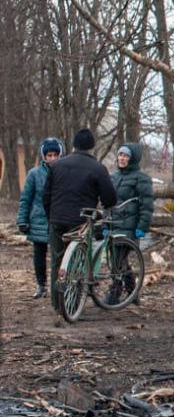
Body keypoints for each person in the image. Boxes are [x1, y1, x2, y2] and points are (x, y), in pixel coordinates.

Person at [43, 129, 117, 310]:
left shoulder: (57, 166)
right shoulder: (98, 168)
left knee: (57, 261)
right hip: (80, 222)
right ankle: (73, 305)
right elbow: (109, 199)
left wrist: (51, 216)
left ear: (74, 145)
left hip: (57, 220)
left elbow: (46, 195)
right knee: (78, 262)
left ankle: (57, 305)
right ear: (92, 147)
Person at [16, 138, 64, 298]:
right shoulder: (34, 174)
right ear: (44, 156)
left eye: (55, 155)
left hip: (59, 219)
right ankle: (41, 285)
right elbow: (26, 199)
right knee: (39, 254)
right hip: (39, 220)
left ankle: (59, 286)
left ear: (60, 155)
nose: (52, 158)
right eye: (49, 155)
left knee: (59, 255)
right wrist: (22, 220)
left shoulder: (65, 172)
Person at [108, 142, 154, 304]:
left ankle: (115, 292)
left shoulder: (141, 179)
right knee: (119, 260)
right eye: (120, 154)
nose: (122, 158)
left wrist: (142, 227)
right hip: (114, 225)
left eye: (126, 156)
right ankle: (133, 292)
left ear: (133, 159)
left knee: (117, 262)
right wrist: (105, 225)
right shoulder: (113, 177)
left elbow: (146, 205)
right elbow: (106, 202)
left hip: (130, 227)